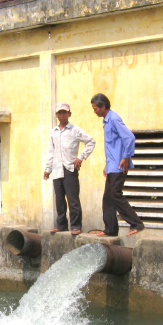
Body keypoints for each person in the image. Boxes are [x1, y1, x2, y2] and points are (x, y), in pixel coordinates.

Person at [90, 93, 144, 237]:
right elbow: (112, 145)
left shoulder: (113, 118)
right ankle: (110, 229)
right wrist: (107, 164)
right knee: (108, 198)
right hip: (112, 165)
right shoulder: (107, 121)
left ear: (103, 106)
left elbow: (129, 137)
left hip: (120, 165)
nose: (94, 111)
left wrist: (126, 157)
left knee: (115, 194)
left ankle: (136, 223)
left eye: (95, 108)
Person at [44, 102, 96, 235]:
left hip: (70, 169)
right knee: (59, 199)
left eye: (64, 112)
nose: (62, 115)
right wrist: (48, 169)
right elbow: (51, 151)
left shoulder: (75, 130)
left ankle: (76, 226)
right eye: (59, 113)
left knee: (73, 199)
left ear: (69, 114)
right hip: (56, 169)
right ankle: (61, 225)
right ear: (56, 115)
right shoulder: (54, 132)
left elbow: (90, 141)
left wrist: (81, 157)